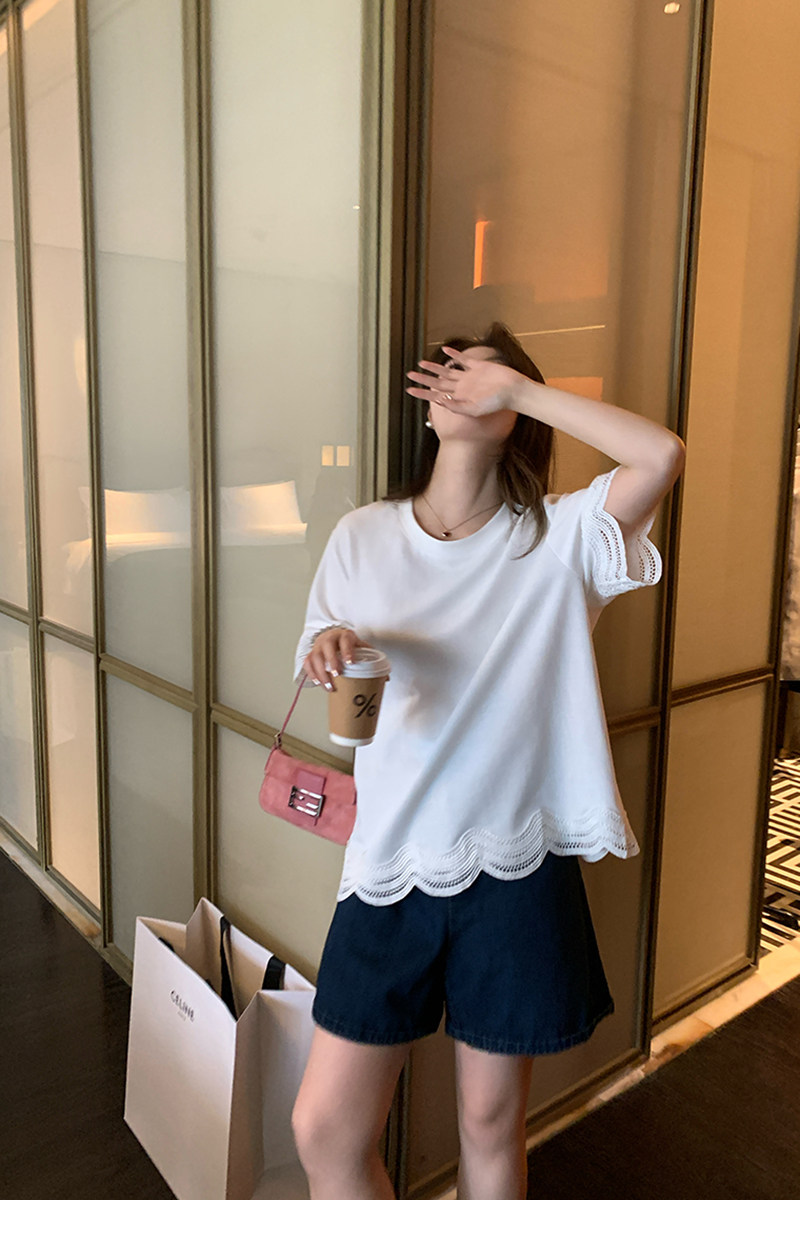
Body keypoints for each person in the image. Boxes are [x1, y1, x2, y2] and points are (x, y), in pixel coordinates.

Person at [290, 321, 685, 1200]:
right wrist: (329, 648)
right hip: (388, 860)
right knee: (323, 1129)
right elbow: (336, 684)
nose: (464, 385)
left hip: (516, 868)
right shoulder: (361, 535)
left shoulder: (562, 537)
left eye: (486, 377)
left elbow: (661, 454)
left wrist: (522, 391)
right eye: (451, 373)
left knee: (489, 1125)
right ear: (426, 408)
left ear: (515, 409)